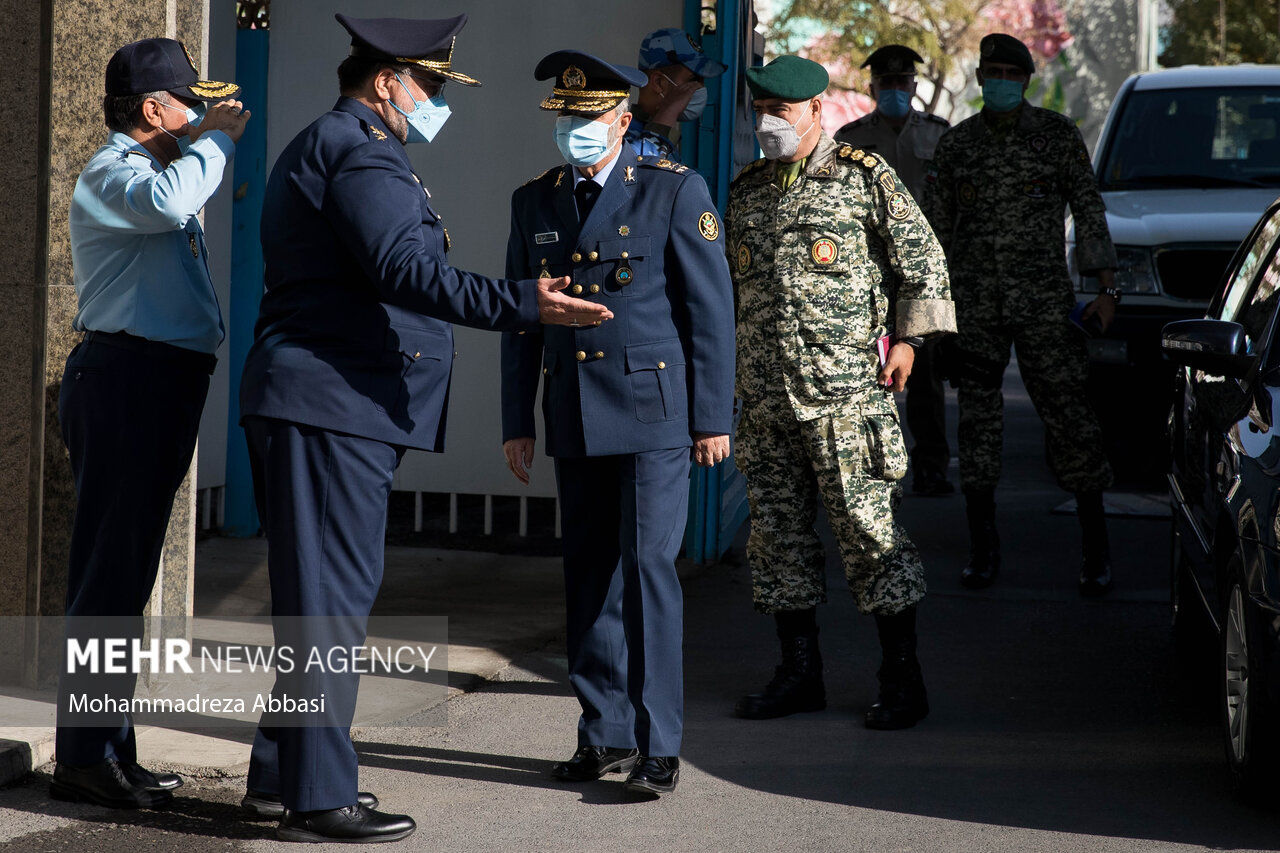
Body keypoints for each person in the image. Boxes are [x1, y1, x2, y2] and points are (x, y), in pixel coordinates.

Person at [238, 15, 611, 843]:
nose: (438, 100)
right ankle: (315, 798)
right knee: (327, 609)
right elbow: (406, 272)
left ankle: (280, 777)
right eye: (432, 84)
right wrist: (525, 302)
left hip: (328, 403)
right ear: (386, 80)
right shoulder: (361, 147)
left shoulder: (344, 142)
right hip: (328, 404)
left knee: (320, 605)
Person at [501, 51, 734, 797]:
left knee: (648, 572)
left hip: (652, 414)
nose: (575, 131)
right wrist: (517, 419)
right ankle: (600, 733)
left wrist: (709, 418)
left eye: (590, 119)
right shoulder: (533, 201)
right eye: (565, 119)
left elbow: (709, 314)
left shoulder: (671, 190)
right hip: (571, 410)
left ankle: (659, 740)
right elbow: (522, 322)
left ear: (622, 122)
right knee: (588, 577)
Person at [726, 55, 955, 730]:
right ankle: (800, 673)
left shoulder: (862, 177)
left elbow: (924, 261)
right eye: (761, 110)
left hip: (845, 401)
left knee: (869, 535)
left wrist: (910, 343)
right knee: (776, 539)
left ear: (817, 111)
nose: (769, 122)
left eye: (783, 112)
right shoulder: (747, 190)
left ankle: (902, 677)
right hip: (767, 401)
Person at [51, 37, 248, 810]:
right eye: (187, 101)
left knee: (124, 578)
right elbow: (169, 205)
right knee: (107, 578)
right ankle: (82, 756)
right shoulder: (113, 173)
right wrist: (217, 142)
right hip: (126, 378)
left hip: (158, 382)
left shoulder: (156, 168)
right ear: (152, 108)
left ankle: (109, 750)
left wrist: (199, 147)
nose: (198, 112)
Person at [922, 33, 1119, 597]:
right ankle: (983, 552)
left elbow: (1088, 208)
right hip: (976, 306)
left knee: (1070, 418)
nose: (1001, 80)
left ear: (1025, 79)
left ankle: (1095, 551)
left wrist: (1108, 287)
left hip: (1043, 303)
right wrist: (933, 315)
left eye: (1011, 71)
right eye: (992, 72)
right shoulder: (958, 145)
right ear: (981, 79)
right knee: (978, 428)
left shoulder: (1056, 137)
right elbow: (934, 232)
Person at [835, 44, 954, 497]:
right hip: (871, 274)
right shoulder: (849, 137)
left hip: (924, 273)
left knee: (925, 376)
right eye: (886, 83)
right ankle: (873, 471)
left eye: (902, 82)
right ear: (872, 88)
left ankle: (931, 466)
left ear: (914, 87)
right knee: (870, 371)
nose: (894, 89)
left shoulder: (941, 135)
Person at [625, 27, 726, 161]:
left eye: (702, 81)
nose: (700, 87)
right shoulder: (622, 134)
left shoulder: (667, 139)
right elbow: (640, 170)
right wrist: (668, 112)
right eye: (693, 80)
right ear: (659, 83)